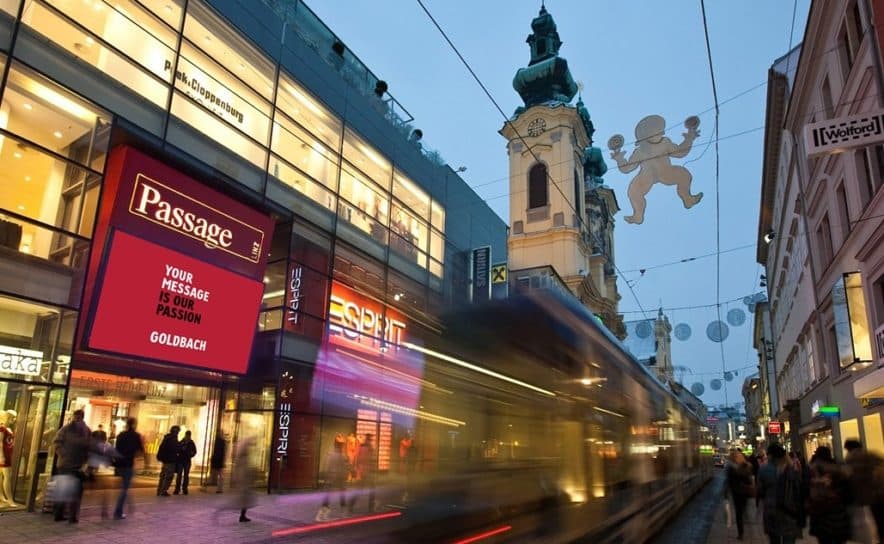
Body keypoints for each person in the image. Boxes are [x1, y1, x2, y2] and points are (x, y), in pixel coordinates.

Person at [757, 443, 803, 544]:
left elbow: (760, 491)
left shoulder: (763, 470)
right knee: (789, 538)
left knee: (774, 540)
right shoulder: (792, 469)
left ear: (770, 455)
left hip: (771, 510)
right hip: (789, 511)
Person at [52, 409, 91, 523]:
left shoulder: (86, 431)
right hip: (66, 465)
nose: (76, 419)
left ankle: (72, 516)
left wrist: (85, 461)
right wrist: (64, 454)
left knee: (75, 492)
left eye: (78, 417)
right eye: (75, 417)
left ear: (82, 417)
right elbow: (56, 443)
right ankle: (60, 514)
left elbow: (89, 448)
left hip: (76, 466)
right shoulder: (66, 429)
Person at [806, 446, 851, 544]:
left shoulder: (812, 469)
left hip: (819, 510)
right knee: (838, 538)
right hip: (837, 510)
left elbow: (805, 488)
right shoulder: (838, 468)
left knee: (824, 538)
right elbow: (847, 489)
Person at [844, 439, 884, 541]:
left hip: (869, 496)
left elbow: (852, 478)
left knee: (876, 520)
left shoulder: (851, 459)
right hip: (880, 492)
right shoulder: (871, 455)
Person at [113, 418, 145, 520]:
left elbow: (116, 449)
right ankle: (118, 511)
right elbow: (140, 450)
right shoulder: (136, 436)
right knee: (124, 489)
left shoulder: (121, 435)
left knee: (124, 487)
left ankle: (127, 506)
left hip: (119, 464)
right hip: (128, 464)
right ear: (134, 424)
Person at [316, 439, 349, 521]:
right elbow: (347, 466)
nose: (341, 447)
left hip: (332, 478)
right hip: (339, 478)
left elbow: (326, 467)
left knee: (328, 495)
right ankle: (343, 511)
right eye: (341, 446)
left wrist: (325, 477)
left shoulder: (330, 455)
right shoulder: (343, 456)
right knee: (341, 494)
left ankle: (322, 514)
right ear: (340, 446)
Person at [726, 449, 754, 540]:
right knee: (743, 512)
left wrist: (727, 493)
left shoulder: (731, 468)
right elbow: (749, 480)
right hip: (744, 492)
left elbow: (729, 482)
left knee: (739, 513)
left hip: (736, 493)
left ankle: (741, 533)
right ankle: (747, 531)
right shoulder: (745, 466)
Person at [348, 434, 377, 514]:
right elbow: (370, 460)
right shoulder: (369, 448)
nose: (371, 440)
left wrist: (356, 469)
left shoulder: (361, 447)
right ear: (368, 439)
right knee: (371, 491)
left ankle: (351, 505)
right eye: (370, 439)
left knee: (360, 490)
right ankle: (370, 509)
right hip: (366, 472)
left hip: (362, 472)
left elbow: (357, 459)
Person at [156, 425, 180, 497]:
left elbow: (162, 447)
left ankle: (159, 490)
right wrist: (179, 446)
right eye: (178, 431)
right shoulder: (173, 439)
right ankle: (163, 491)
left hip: (165, 460)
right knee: (168, 476)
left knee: (163, 476)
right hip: (170, 460)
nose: (178, 433)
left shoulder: (167, 438)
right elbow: (175, 449)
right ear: (176, 431)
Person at [175, 430, 197, 495]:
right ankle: (178, 489)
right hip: (182, 460)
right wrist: (182, 450)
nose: (188, 436)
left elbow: (194, 451)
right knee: (180, 475)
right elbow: (178, 449)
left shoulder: (191, 443)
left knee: (185, 475)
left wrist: (190, 454)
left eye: (188, 435)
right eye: (187, 435)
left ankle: (184, 489)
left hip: (186, 460)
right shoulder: (183, 442)